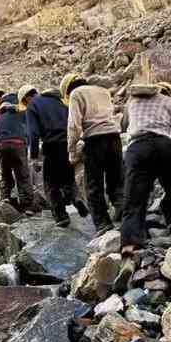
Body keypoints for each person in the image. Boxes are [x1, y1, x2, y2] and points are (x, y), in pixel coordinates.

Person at [114, 81, 171, 294]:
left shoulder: (133, 101)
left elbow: (124, 126)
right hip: (164, 147)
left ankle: (127, 255)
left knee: (134, 201)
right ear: (168, 92)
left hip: (137, 148)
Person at [61, 73, 124, 236]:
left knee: (94, 186)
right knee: (116, 181)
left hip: (95, 140)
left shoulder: (76, 94)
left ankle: (104, 225)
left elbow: (73, 126)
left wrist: (71, 150)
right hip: (114, 137)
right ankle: (126, 216)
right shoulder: (103, 91)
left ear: (68, 90)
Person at [18, 84, 88, 227]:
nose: (26, 105)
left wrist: (34, 157)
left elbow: (34, 133)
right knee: (68, 179)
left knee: (50, 184)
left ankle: (61, 216)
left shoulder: (33, 105)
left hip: (51, 145)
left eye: (24, 102)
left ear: (26, 98)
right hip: (68, 144)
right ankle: (77, 198)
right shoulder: (58, 101)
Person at [0, 102, 34, 215]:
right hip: (18, 145)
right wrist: (27, 148)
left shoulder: (0, 119)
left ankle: (5, 197)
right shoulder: (21, 116)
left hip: (2, 146)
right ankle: (27, 207)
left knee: (6, 174)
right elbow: (28, 132)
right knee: (23, 175)